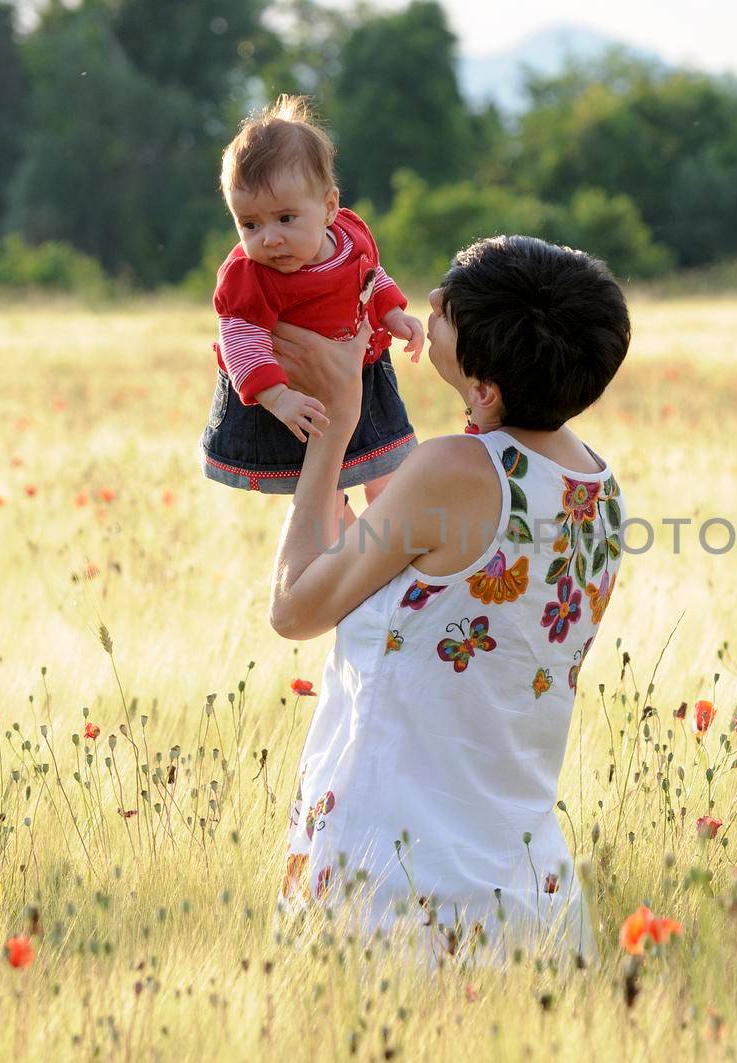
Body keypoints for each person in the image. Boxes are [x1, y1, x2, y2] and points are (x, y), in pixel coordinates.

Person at [267, 235, 630, 964]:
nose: (431, 301)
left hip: (398, 873)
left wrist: (335, 424)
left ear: (486, 388)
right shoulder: (599, 487)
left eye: (450, 308)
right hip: (528, 885)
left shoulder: (452, 471)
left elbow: (294, 608)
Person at [200, 95, 423, 508]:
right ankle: (339, 551)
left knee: (390, 474)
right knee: (322, 492)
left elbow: (371, 274)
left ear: (329, 208)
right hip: (289, 394)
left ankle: (387, 551)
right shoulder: (249, 275)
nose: (269, 238)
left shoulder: (351, 235)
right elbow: (240, 340)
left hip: (362, 374)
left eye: (285, 218)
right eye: (249, 224)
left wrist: (392, 312)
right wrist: (278, 397)